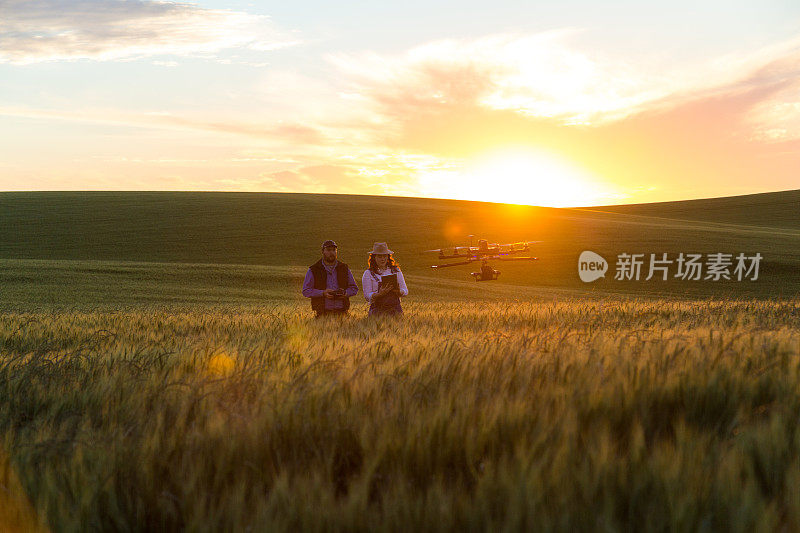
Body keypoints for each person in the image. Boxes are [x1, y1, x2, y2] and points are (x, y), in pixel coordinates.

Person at [302, 240, 359, 317]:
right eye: (328, 250)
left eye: (334, 250)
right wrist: (323, 293)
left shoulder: (344, 268)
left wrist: (345, 293)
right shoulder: (314, 269)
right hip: (322, 313)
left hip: (342, 312)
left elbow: (354, 288)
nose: (331, 252)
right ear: (323, 252)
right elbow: (306, 291)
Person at [362, 242, 408, 316]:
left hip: (395, 310)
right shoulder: (368, 273)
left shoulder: (396, 270)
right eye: (380, 256)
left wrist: (399, 292)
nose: (383, 259)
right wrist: (379, 294)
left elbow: (405, 291)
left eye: (384, 256)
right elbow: (367, 296)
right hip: (377, 310)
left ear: (388, 257)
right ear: (374, 257)